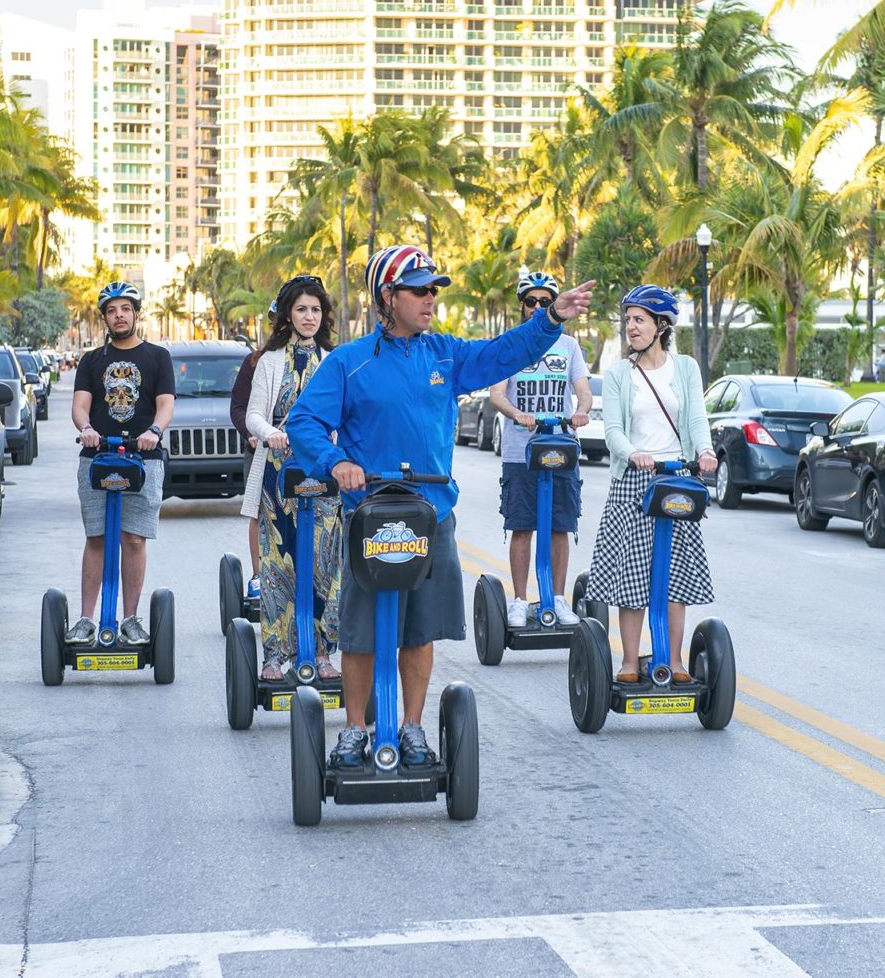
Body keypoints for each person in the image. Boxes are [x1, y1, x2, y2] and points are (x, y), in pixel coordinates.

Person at [286, 245, 595, 771]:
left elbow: (502, 353)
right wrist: (336, 463)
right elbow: (303, 423)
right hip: (371, 515)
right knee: (361, 631)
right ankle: (355, 729)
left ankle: (411, 727)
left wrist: (550, 320)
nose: (431, 299)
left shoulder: (445, 355)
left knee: (420, 629)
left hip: (430, 514)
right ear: (388, 296)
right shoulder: (349, 361)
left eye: (434, 290)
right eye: (420, 290)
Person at [587, 285, 716, 684]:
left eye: (639, 320)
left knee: (674, 573)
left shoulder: (686, 368)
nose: (631, 327)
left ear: (662, 326)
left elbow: (695, 418)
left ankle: (674, 661)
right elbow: (612, 431)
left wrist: (706, 451)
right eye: (627, 320)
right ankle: (629, 660)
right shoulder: (618, 373)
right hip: (634, 482)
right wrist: (633, 453)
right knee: (634, 573)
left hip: (677, 478)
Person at [243, 277, 342, 681]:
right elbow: (253, 414)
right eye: (301, 309)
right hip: (277, 475)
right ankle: (274, 657)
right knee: (277, 565)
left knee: (324, 565)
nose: (309, 317)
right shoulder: (269, 361)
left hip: (322, 473)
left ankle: (322, 654)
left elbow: (343, 416)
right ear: (288, 314)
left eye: (316, 310)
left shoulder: (333, 360)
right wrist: (271, 434)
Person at [69, 282, 175, 644]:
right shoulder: (91, 360)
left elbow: (165, 404)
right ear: (105, 318)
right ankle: (86, 619)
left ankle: (130, 618)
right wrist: (86, 429)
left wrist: (155, 431)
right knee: (96, 538)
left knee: (133, 540)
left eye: (125, 309)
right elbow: (80, 405)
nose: (119, 315)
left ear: (136, 313)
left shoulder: (158, 357)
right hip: (97, 457)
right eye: (112, 310)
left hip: (143, 458)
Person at [487, 271, 592, 629]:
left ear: (554, 305)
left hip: (561, 446)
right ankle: (519, 600)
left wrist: (581, 411)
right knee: (522, 526)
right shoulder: (512, 344)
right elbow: (496, 393)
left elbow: (583, 388)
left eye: (544, 302)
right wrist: (517, 413)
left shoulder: (569, 345)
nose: (537, 307)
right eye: (531, 301)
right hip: (520, 451)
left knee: (560, 526)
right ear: (522, 306)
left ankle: (558, 598)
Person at [230, 301, 272, 601]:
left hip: (305, 452)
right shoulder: (256, 361)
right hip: (262, 448)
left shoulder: (321, 358)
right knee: (259, 512)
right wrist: (250, 433)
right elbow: (238, 407)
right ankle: (260, 576)